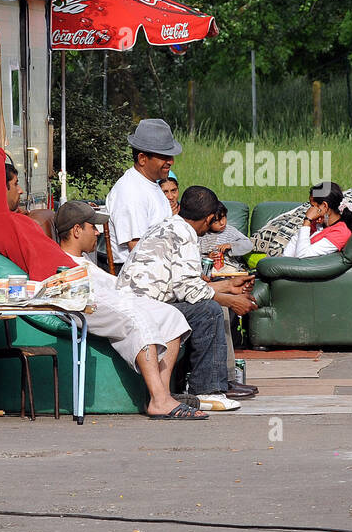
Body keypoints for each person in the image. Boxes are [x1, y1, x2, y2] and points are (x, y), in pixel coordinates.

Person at [53, 202, 204, 420]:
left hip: (119, 298)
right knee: (138, 320)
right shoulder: (64, 262)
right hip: (92, 304)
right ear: (77, 230)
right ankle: (160, 400)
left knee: (172, 317)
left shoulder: (86, 258)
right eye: (92, 226)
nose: (97, 232)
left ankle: (161, 396)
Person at [117, 185, 259, 410]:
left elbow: (183, 283)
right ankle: (206, 391)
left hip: (138, 303)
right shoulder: (185, 234)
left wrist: (229, 286)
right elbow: (189, 291)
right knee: (209, 312)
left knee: (208, 305)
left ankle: (200, 385)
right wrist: (231, 300)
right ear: (210, 218)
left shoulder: (169, 225)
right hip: (144, 308)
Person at [0, 148, 76, 279]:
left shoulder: (9, 218)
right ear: (0, 187)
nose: (21, 190)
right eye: (15, 184)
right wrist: (0, 148)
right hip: (60, 280)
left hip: (69, 273)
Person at [104, 118, 178, 274]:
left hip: (160, 267)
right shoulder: (130, 192)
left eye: (170, 156)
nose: (171, 162)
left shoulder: (151, 184)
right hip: (138, 274)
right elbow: (139, 251)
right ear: (142, 158)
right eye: (164, 157)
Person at [282, 181, 352, 258]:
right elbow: (289, 252)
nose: (310, 210)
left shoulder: (340, 233)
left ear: (324, 206)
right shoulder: (319, 224)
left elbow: (302, 256)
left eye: (312, 206)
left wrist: (307, 221)